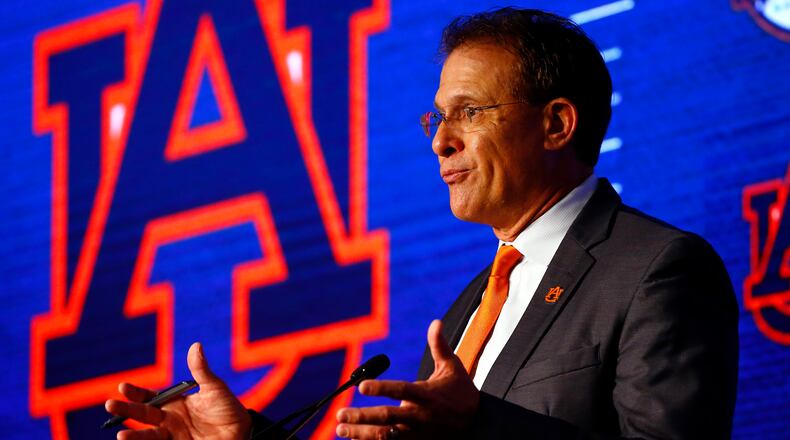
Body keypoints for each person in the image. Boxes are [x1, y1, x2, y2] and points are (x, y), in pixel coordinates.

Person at [105, 7, 739, 439]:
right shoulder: (471, 306)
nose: (441, 142)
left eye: (469, 112)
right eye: (438, 117)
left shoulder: (655, 270)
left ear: (556, 124)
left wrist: (481, 425)